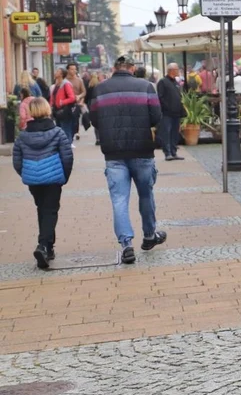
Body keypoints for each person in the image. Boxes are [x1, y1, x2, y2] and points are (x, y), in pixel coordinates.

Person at [89, 56, 166, 264]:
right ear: (132, 68)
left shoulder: (100, 89)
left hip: (113, 152)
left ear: (115, 68)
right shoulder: (146, 87)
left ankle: (126, 244)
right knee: (146, 195)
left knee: (119, 199)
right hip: (142, 149)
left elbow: (94, 119)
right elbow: (157, 116)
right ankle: (150, 235)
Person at [12, 97, 73, 270]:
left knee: (42, 209)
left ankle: (48, 247)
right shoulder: (58, 132)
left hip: (33, 179)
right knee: (51, 210)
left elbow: (17, 160)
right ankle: (44, 245)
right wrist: (63, 177)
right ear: (47, 110)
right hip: (53, 178)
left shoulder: (23, 136)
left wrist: (26, 174)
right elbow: (67, 157)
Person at [157, 63, 185, 161]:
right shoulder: (163, 82)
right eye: (177, 69)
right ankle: (167, 152)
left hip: (176, 113)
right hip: (167, 113)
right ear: (171, 70)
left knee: (175, 133)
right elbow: (160, 97)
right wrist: (167, 107)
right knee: (166, 132)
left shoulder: (175, 82)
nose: (178, 71)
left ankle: (174, 152)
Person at [50, 68, 78, 143]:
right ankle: (63, 147)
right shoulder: (57, 84)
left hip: (65, 111)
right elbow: (53, 97)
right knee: (59, 130)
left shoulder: (66, 84)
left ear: (61, 74)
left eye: (57, 71)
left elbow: (72, 98)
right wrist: (51, 105)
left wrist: (62, 102)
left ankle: (67, 146)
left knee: (65, 130)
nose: (55, 73)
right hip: (57, 111)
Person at [66, 63, 86, 142]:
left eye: (75, 69)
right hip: (66, 104)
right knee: (68, 120)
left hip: (76, 103)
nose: (74, 71)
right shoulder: (65, 80)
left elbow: (84, 92)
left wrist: (80, 97)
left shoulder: (79, 80)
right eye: (72, 69)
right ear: (68, 70)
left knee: (76, 119)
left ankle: (76, 132)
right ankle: (70, 134)